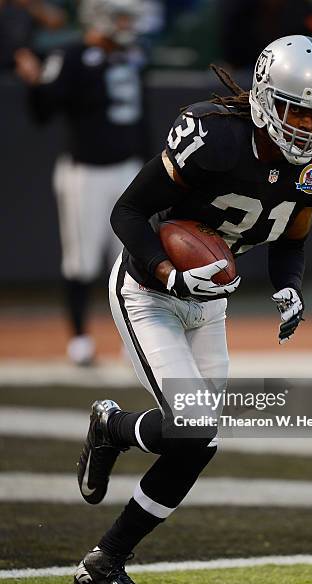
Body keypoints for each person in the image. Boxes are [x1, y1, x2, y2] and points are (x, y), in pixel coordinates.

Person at [74, 34, 312, 584]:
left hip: (210, 301)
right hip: (150, 290)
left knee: (198, 441)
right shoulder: (212, 137)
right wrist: (169, 274)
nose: (307, 127)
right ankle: (114, 427)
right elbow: (127, 210)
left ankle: (106, 562)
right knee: (195, 427)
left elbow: (291, 242)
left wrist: (290, 289)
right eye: (297, 108)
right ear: (268, 98)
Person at [15, 0, 150, 365]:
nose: (126, 25)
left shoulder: (133, 56)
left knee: (130, 259)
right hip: (85, 172)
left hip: (128, 170)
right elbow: (44, 111)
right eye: (120, 16)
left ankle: (133, 342)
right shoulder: (71, 55)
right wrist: (33, 83)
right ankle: (79, 340)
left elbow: (142, 119)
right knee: (82, 261)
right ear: (99, 16)